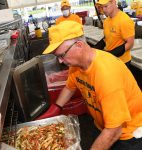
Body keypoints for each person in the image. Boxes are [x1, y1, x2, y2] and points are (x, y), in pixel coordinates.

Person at [37, 21, 142, 150]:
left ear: (79, 45)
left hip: (128, 134)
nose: (60, 61)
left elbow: (115, 130)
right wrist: (57, 107)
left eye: (61, 55)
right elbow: (70, 87)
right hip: (104, 125)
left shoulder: (106, 74)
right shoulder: (76, 65)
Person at [94, 0, 135, 68]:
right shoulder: (106, 21)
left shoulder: (124, 20)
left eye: (106, 6)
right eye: (101, 7)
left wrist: (111, 54)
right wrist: (94, 48)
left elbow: (130, 44)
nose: (103, 10)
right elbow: (106, 38)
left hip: (122, 62)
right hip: (111, 60)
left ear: (113, 2)